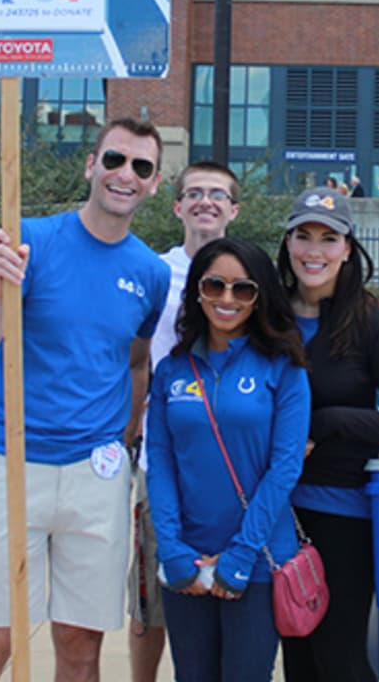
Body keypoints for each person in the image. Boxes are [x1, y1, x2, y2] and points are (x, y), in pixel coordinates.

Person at [0, 118, 171, 682]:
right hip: (14, 462)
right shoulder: (29, 240)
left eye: (141, 166)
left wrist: (124, 441)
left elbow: (136, 361)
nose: (125, 174)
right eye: (114, 159)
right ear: (91, 165)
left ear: (153, 183)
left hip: (95, 476)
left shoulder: (150, 273)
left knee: (79, 649)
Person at [277, 186, 379, 681]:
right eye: (303, 236)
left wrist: (329, 423)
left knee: (338, 659)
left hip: (342, 513)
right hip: (274, 512)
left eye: (328, 239)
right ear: (287, 242)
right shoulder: (268, 317)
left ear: (347, 249)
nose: (314, 251)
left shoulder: (370, 321)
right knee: (298, 659)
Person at [145, 237, 311, 680]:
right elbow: (160, 463)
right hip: (187, 558)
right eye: (214, 285)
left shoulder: (284, 368)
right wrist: (171, 547)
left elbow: (285, 469)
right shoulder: (172, 370)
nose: (227, 298)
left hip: (257, 559)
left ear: (259, 298)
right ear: (197, 292)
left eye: (243, 289)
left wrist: (241, 553)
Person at [129, 161, 241, 682]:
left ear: (233, 209)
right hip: (164, 461)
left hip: (232, 466)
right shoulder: (155, 273)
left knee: (224, 595)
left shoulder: (250, 276)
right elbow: (131, 355)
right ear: (177, 206)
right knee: (151, 600)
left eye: (217, 194)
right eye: (194, 193)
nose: (205, 202)